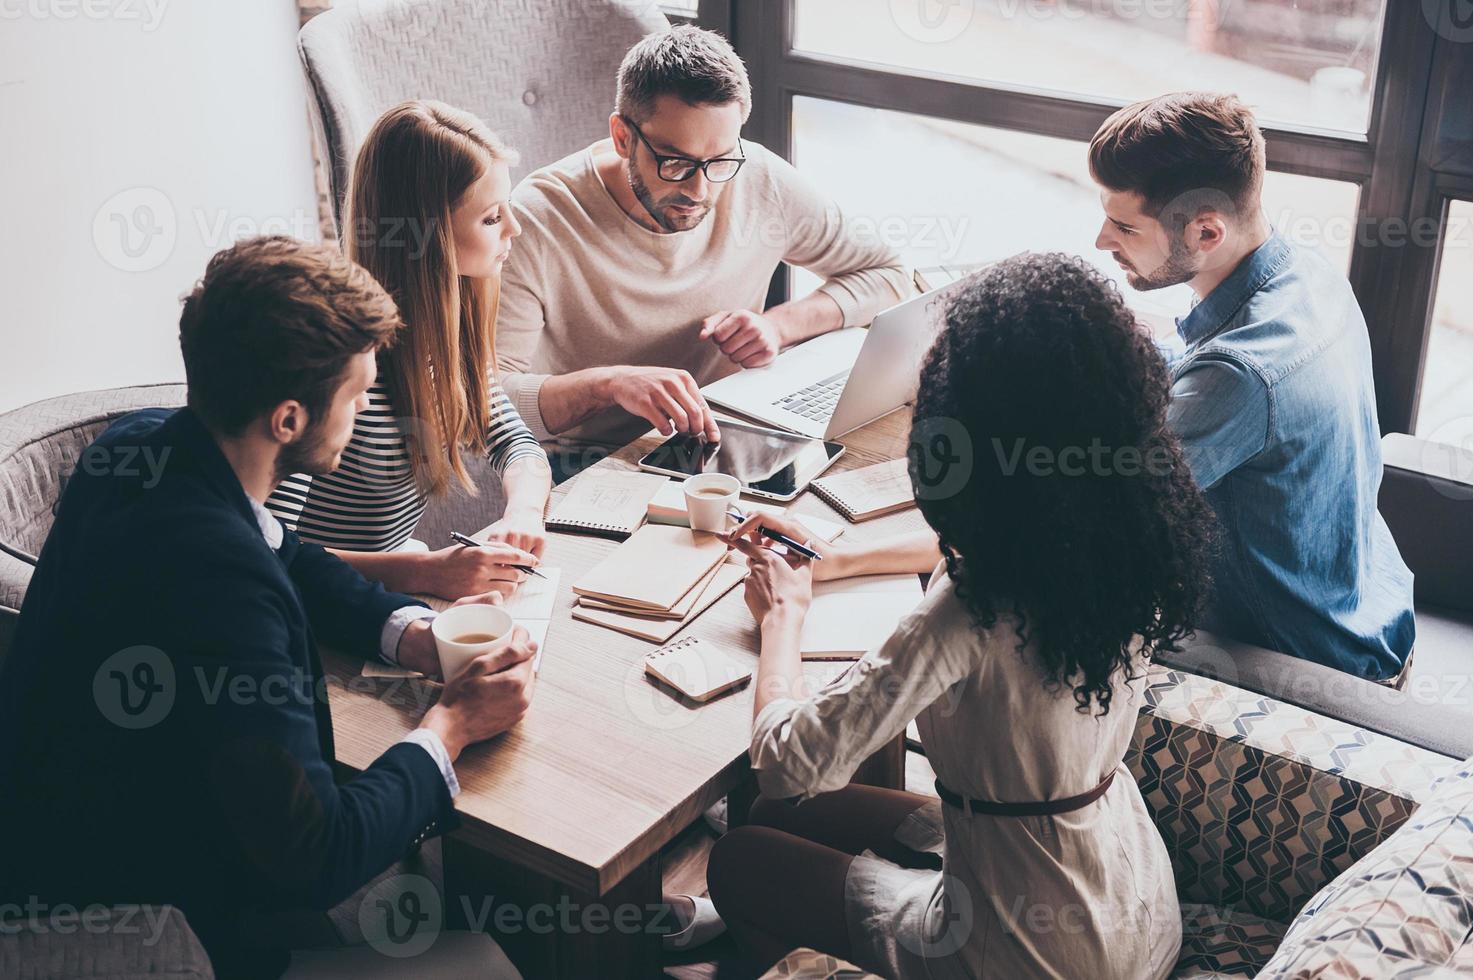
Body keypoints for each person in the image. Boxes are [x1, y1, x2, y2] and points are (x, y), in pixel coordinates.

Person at [0, 237, 536, 978]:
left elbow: (289, 553)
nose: (360, 413)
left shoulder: (142, 448)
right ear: (289, 419)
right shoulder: (225, 594)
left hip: (59, 834)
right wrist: (450, 726)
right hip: (152, 925)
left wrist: (408, 632)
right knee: (494, 960)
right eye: (354, 397)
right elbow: (318, 856)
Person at [706, 253, 1217, 979]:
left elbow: (790, 764)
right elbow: (980, 544)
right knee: (783, 820)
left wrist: (783, 618)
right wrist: (835, 560)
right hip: (1129, 900)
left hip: (1027, 952)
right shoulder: (1124, 533)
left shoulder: (969, 608)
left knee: (744, 850)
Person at [1090, 92, 1416, 684]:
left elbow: (1091, 521)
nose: (1101, 241)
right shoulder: (1307, 273)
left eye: (1124, 226)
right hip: (1373, 610)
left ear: (1206, 233)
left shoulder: (1239, 375)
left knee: (1029, 599)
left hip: (1303, 660)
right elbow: (1190, 360)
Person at [495, 26, 911, 475]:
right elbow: (483, 398)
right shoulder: (536, 219)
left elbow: (888, 274)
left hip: (728, 437)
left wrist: (778, 327)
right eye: (674, 161)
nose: (700, 188)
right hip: (591, 461)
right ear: (622, 137)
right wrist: (610, 384)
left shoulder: (759, 178)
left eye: (720, 160)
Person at [267, 101, 553, 602]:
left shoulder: (445, 337)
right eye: (491, 218)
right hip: (318, 609)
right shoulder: (330, 359)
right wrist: (423, 573)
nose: (515, 228)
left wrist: (523, 513)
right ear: (430, 236)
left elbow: (517, 444)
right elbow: (269, 552)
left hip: (395, 590)